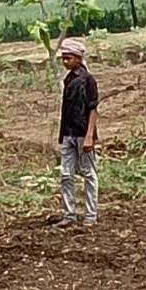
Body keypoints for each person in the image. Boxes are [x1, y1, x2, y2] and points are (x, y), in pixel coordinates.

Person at [53, 38, 100, 228]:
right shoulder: (69, 79)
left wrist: (89, 136)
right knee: (66, 174)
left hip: (82, 133)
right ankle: (69, 214)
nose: (65, 62)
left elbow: (93, 109)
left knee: (89, 173)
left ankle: (90, 214)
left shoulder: (88, 80)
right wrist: (63, 136)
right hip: (68, 133)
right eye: (63, 58)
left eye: (68, 58)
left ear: (79, 58)